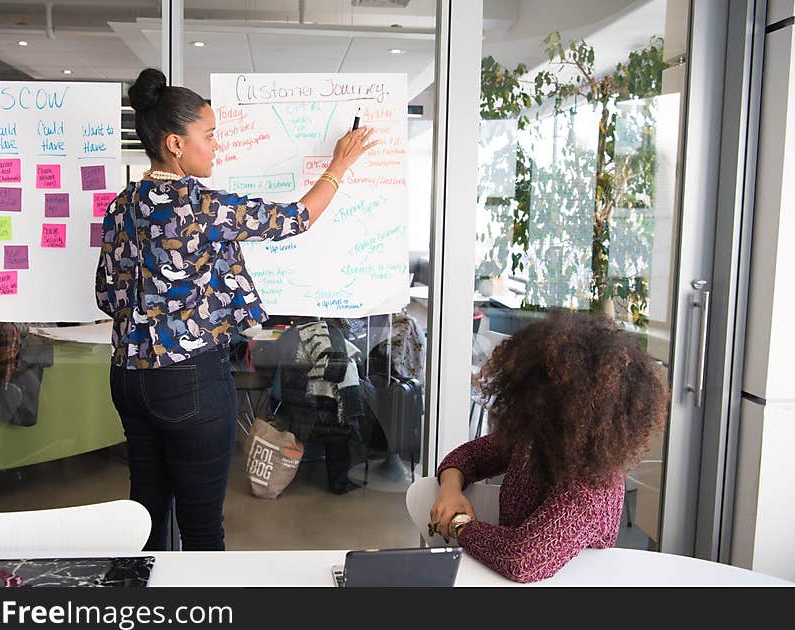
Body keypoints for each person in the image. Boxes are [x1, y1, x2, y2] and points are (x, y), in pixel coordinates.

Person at [95, 68, 377, 550]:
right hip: (189, 382)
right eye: (209, 136)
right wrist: (339, 165)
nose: (216, 146)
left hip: (127, 377)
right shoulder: (200, 206)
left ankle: (146, 613)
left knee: (147, 515)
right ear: (175, 143)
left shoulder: (121, 206)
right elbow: (296, 219)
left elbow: (105, 295)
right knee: (203, 526)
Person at [429, 311, 670, 582]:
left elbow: (521, 559)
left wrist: (460, 525)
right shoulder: (537, 439)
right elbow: (468, 455)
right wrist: (450, 492)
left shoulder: (593, 488)